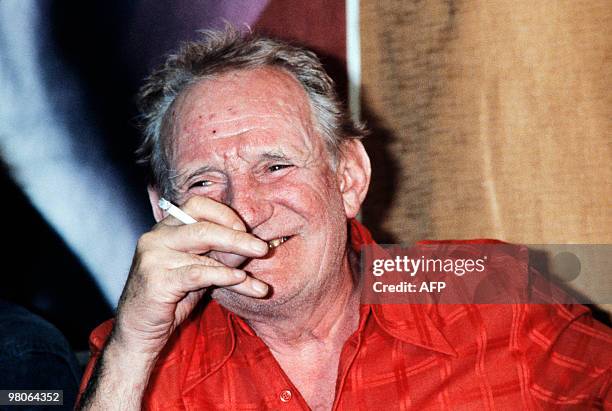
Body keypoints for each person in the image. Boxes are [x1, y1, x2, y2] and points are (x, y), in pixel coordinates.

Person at [77, 29, 611, 410]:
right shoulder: (138, 357)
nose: (246, 210)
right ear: (164, 213)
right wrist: (132, 350)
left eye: (277, 165)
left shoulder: (482, 285)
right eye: (203, 182)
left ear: (348, 178)